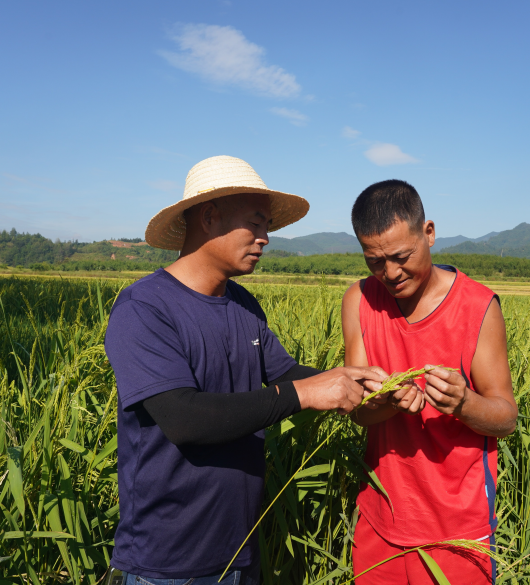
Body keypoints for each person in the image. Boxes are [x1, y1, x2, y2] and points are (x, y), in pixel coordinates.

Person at [103, 156, 386, 585]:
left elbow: (286, 374)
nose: (266, 238)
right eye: (256, 224)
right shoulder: (145, 308)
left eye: (267, 226)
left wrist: (356, 382)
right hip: (167, 564)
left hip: (240, 551)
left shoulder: (242, 305)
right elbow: (184, 418)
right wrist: (306, 394)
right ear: (210, 216)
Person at [342, 180, 518, 585]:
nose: (390, 273)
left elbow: (506, 418)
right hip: (380, 518)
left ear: (429, 233)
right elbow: (359, 414)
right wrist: (388, 402)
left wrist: (463, 403)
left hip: (457, 529)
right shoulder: (359, 301)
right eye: (374, 261)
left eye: (401, 256)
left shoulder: (478, 307)